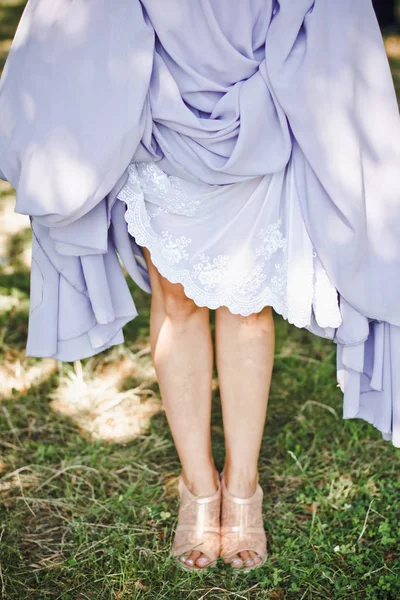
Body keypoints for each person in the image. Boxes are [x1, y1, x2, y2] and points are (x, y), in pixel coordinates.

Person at [1, 0, 400, 574]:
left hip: (262, 94)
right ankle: (198, 488)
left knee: (247, 303)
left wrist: (285, 78)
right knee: (178, 302)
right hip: (159, 94)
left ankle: (243, 489)